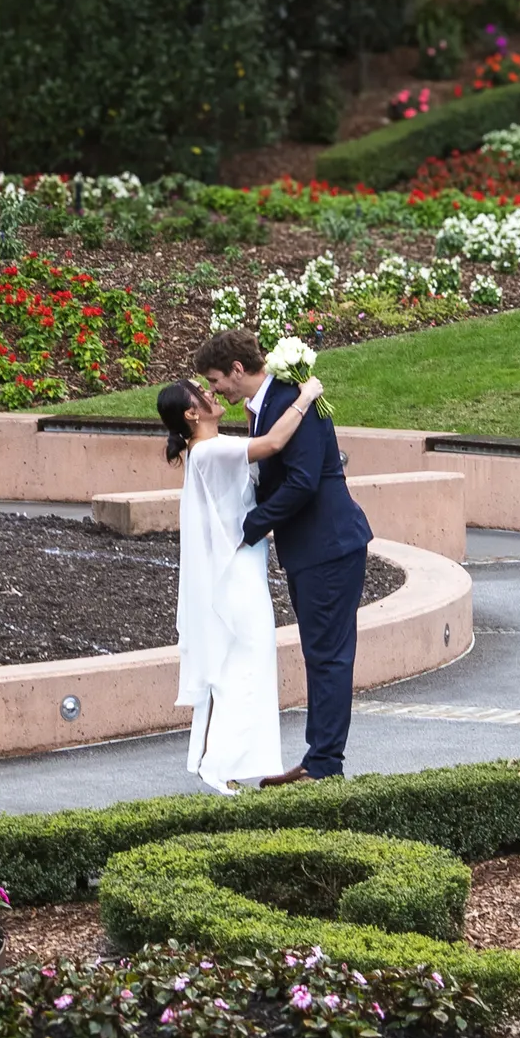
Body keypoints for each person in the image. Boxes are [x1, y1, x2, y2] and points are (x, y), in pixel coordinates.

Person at [191, 327, 372, 786]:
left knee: (328, 656)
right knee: (321, 654)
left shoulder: (293, 399)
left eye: (215, 380)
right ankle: (320, 760)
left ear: (236, 369)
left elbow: (302, 481)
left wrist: (249, 527)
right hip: (311, 550)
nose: (215, 391)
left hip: (328, 546)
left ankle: (324, 765)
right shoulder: (272, 405)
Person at [155, 369, 325, 795]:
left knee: (244, 667)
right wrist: (305, 397)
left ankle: (228, 764)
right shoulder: (210, 451)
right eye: (202, 392)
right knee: (244, 668)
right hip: (236, 574)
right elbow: (271, 444)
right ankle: (221, 766)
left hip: (240, 569)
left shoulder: (206, 451)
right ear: (193, 414)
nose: (212, 393)